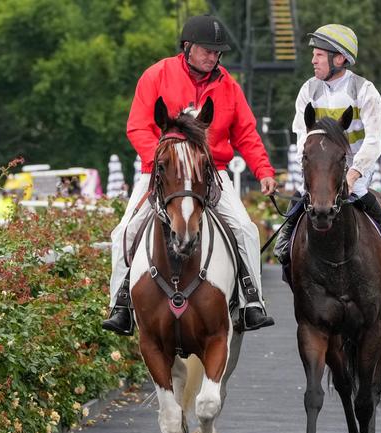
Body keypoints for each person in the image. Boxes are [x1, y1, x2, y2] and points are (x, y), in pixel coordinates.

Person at [102, 14, 278, 336]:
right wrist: (159, 161)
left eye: (217, 52)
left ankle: (251, 300)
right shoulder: (156, 75)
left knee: (246, 229)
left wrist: (263, 169)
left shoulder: (229, 85)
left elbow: (247, 134)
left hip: (210, 172)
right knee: (124, 233)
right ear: (187, 47)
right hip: (162, 171)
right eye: (207, 50)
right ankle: (121, 305)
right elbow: (138, 127)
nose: (213, 57)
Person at [274, 24, 381, 264]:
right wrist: (311, 163)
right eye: (314, 55)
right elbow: (301, 133)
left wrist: (353, 174)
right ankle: (286, 235)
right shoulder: (308, 89)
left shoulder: (365, 91)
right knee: (304, 194)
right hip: (320, 163)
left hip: (356, 162)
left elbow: (373, 141)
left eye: (319, 55)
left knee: (360, 191)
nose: (313, 60)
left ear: (339, 59)